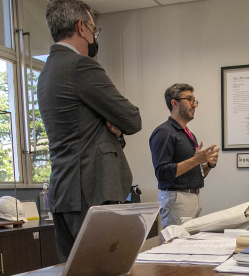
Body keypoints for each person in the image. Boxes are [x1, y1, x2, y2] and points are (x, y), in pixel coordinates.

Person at [38, 0, 141, 262]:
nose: (95, 36)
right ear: (81, 27)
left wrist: (114, 131)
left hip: (63, 192)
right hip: (92, 191)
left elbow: (81, 128)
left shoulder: (47, 71)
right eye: (94, 29)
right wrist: (116, 123)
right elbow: (131, 118)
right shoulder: (81, 66)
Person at [149, 83, 219, 228]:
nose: (194, 105)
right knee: (177, 247)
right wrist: (195, 160)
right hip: (177, 199)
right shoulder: (164, 132)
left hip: (194, 198)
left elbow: (195, 174)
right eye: (189, 99)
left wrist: (208, 164)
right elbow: (162, 174)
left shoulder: (188, 134)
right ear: (174, 103)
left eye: (194, 100)